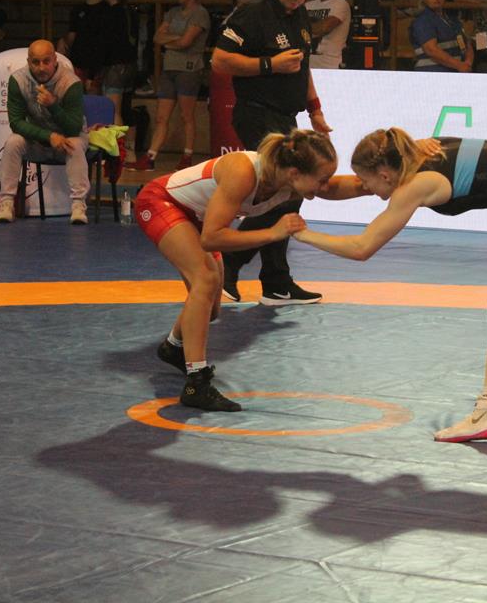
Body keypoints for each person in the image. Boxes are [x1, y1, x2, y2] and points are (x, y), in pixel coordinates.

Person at [291, 127, 487, 442]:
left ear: (385, 174)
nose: (365, 188)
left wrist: (303, 234)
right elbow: (347, 186)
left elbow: (362, 248)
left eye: (367, 181)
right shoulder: (409, 154)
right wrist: (304, 184)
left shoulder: (415, 184)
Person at [139, 129, 344, 411]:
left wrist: (381, 184)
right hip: (161, 202)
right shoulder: (243, 171)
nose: (324, 186)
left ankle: (173, 347)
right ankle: (196, 384)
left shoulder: (287, 180)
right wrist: (272, 233)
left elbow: (341, 188)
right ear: (296, 172)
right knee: (205, 279)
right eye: (322, 180)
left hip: (197, 216)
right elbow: (211, 238)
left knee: (210, 310)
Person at [211, 0, 332, 306]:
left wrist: (315, 110)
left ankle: (276, 282)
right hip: (257, 114)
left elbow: (302, 68)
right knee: (287, 191)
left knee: (288, 195)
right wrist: (269, 65)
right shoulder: (253, 12)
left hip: (285, 117)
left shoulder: (300, 15)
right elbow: (219, 60)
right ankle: (232, 266)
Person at [0, 39, 90, 225]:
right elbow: (16, 123)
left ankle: (79, 206)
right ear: (28, 62)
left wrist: (53, 105)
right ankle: (6, 204)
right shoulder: (18, 81)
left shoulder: (71, 83)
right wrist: (48, 136)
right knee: (13, 141)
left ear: (55, 60)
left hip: (67, 140)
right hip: (38, 142)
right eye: (36, 62)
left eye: (46, 61)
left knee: (75, 144)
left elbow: (73, 128)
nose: (41, 68)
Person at [131, 0, 211, 172]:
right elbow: (157, 37)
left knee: (186, 115)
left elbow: (186, 42)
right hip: (169, 68)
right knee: (161, 117)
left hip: (189, 69)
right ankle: (150, 157)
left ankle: (187, 155)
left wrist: (171, 41)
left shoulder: (200, 14)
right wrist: (176, 39)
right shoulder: (172, 12)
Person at [57, 0, 111, 93]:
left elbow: (104, 40)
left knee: (93, 97)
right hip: (78, 60)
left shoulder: (106, 10)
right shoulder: (78, 9)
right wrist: (63, 41)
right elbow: (72, 34)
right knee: (77, 97)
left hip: (98, 62)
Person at [409, 0, 473, 72]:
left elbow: (466, 45)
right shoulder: (423, 21)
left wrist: (468, 63)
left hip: (455, 71)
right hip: (431, 73)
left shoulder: (453, 20)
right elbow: (431, 50)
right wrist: (459, 65)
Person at [101, 0, 138, 126]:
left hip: (116, 65)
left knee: (113, 112)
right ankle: (130, 141)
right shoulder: (130, 11)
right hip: (130, 64)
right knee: (126, 110)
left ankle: (117, 142)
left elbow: (107, 42)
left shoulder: (110, 13)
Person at [305, 0, 350, 69]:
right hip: (308, 66)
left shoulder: (340, 3)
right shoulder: (308, 5)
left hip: (331, 66)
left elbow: (323, 28)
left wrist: (302, 27)